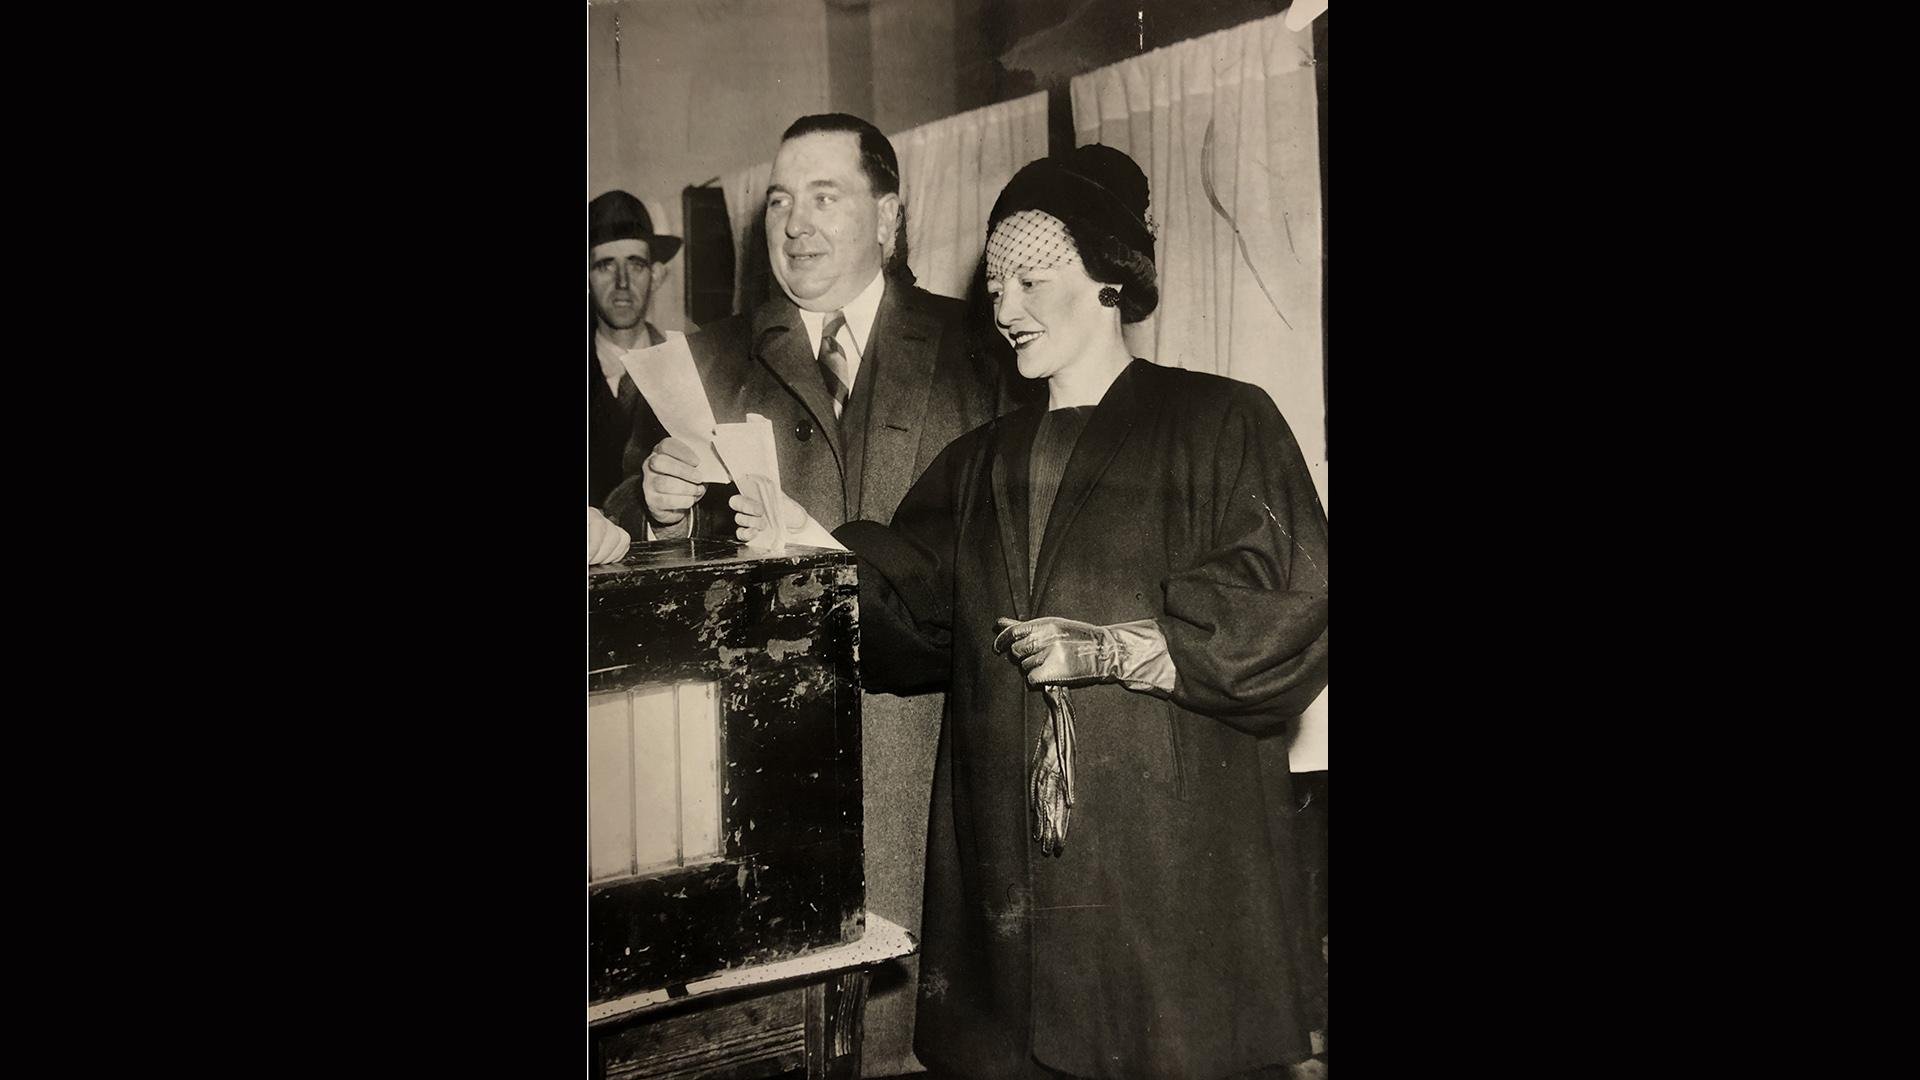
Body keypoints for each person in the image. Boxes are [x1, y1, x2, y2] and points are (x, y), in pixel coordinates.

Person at [735, 145, 1329, 1078]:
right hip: (1009, 888)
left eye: (1031, 279)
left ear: (1108, 278)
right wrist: (799, 537)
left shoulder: (1222, 423)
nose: (1004, 308)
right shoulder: (980, 461)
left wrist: (1115, 649)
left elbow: (1293, 604)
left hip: (1165, 882)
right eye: (996, 284)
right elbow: (902, 609)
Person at [602, 113, 1012, 1075]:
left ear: (891, 213)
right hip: (760, 771)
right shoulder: (706, 358)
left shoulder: (984, 348)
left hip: (937, 763)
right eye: (780, 200)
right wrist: (654, 506)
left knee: (926, 1043)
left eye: (825, 195)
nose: (795, 222)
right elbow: (616, 534)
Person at [588, 190, 682, 512]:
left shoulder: (690, 368)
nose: (623, 283)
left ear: (656, 276)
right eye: (605, 266)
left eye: (636, 265)